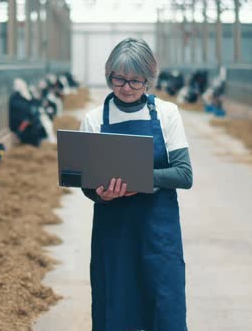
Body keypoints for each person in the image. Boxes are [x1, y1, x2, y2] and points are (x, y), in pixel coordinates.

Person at [79, 37, 193, 331]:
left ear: (148, 79)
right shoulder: (93, 120)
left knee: (164, 306)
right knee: (115, 308)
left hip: (159, 232)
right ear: (109, 75)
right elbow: (86, 185)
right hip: (114, 233)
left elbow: (184, 174)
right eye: (118, 79)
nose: (126, 87)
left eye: (135, 81)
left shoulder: (167, 114)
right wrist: (102, 194)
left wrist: (141, 179)